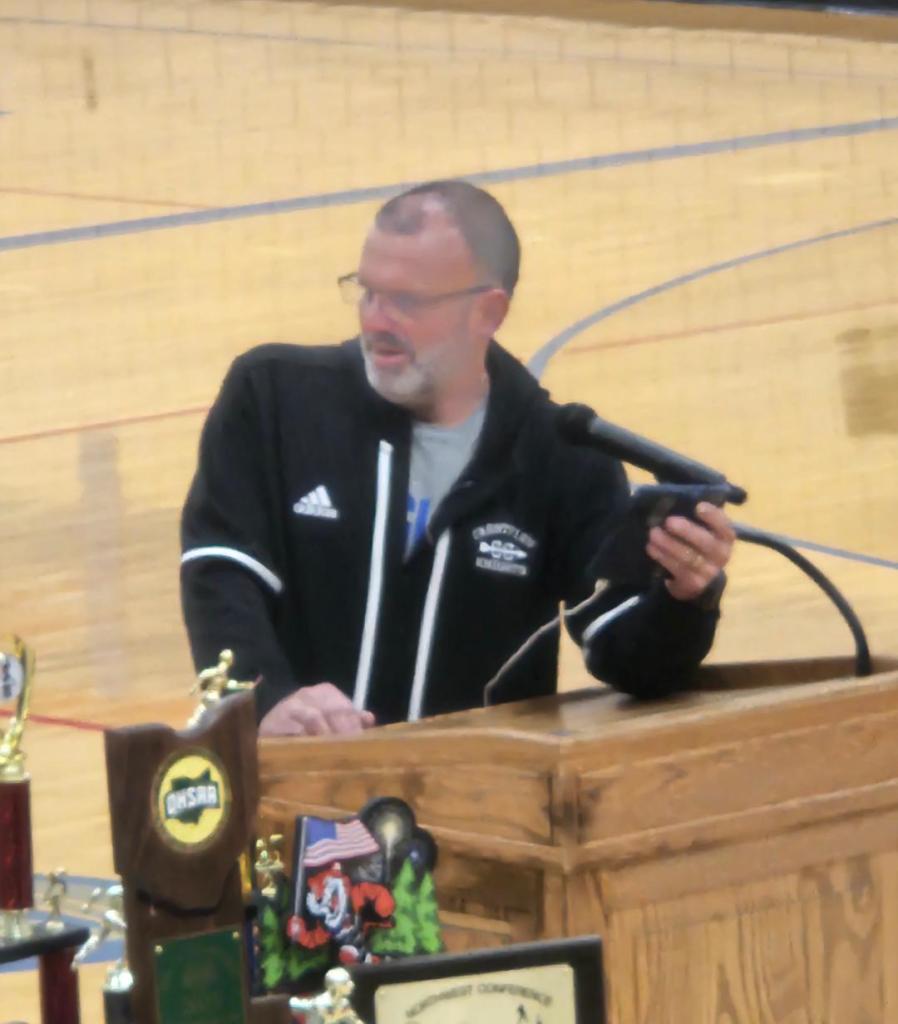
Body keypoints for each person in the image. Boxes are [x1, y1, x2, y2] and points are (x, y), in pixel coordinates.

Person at [180, 181, 735, 738]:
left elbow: (624, 656)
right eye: (368, 291)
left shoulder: (560, 457)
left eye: (406, 301)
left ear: (487, 312)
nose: (375, 320)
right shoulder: (273, 399)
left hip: (477, 808)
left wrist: (683, 599)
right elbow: (222, 570)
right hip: (294, 796)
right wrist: (262, 696)